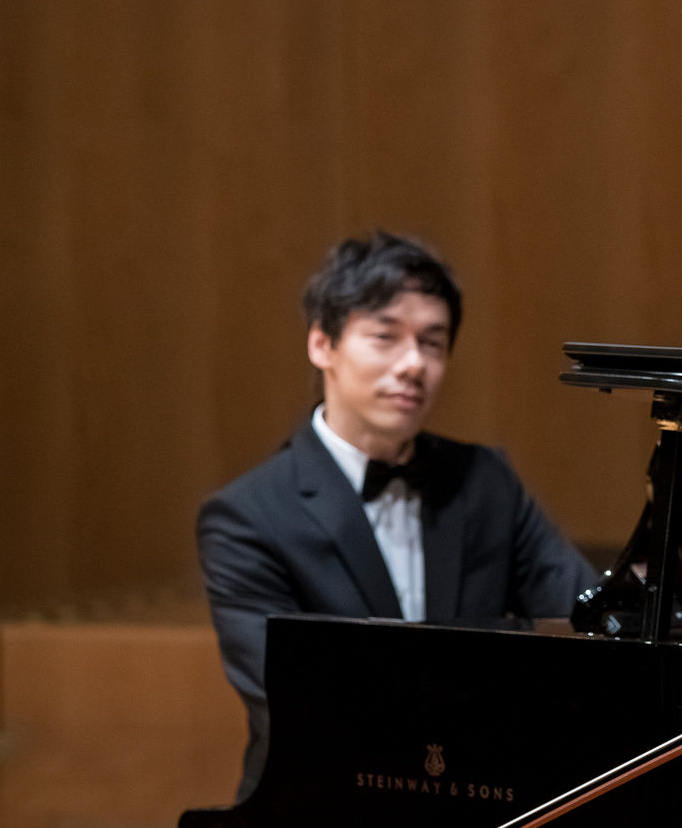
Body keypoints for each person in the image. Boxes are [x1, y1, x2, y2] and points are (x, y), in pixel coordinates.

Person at [199, 232, 597, 799]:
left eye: (432, 343)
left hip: (472, 807)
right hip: (316, 811)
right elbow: (293, 704)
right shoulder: (245, 518)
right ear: (322, 345)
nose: (414, 364)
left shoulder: (486, 483)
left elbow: (585, 626)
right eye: (385, 337)